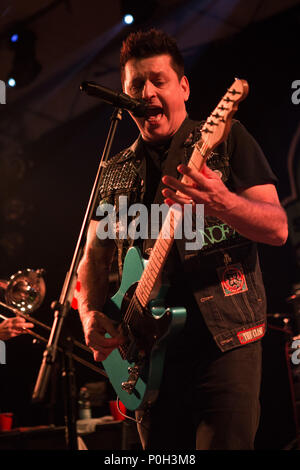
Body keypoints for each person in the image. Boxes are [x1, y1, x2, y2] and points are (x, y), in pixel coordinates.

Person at [76, 29, 288, 450]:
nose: (147, 92)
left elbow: (277, 228)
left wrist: (223, 201)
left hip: (224, 345)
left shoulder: (225, 140)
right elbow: (92, 261)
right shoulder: (114, 171)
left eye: (159, 80)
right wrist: (89, 315)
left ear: (184, 87)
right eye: (136, 85)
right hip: (145, 360)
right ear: (123, 96)